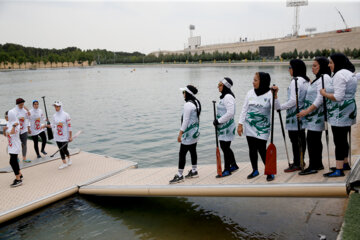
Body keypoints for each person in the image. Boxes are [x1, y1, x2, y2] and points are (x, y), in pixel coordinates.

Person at [320, 53, 357, 177]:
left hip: (340, 111)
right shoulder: (349, 73)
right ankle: (344, 163)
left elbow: (338, 97)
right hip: (349, 108)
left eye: (331, 62)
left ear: (337, 63)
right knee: (343, 138)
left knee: (338, 140)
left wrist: (324, 94)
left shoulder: (339, 75)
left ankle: (339, 169)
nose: (329, 65)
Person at [273, 59, 310, 172]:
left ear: (295, 68)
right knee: (301, 138)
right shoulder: (305, 80)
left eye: (290, 67)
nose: (289, 70)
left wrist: (281, 107)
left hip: (294, 115)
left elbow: (294, 100)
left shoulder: (296, 81)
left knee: (295, 139)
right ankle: (300, 160)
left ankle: (297, 163)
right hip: (302, 113)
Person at [296, 57, 331, 175]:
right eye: (312, 66)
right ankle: (318, 163)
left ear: (322, 66)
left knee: (312, 140)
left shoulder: (324, 77)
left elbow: (320, 98)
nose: (312, 68)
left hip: (317, 115)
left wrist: (306, 111)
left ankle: (312, 166)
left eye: (315, 65)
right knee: (314, 140)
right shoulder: (317, 79)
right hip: (312, 116)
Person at [238, 72, 275, 181]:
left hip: (263, 128)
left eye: (255, 80)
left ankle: (269, 170)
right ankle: (255, 170)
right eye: (253, 80)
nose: (253, 82)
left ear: (262, 81)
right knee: (252, 149)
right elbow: (244, 109)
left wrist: (275, 95)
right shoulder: (250, 93)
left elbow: (277, 108)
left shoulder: (270, 94)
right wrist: (240, 124)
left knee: (262, 149)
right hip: (249, 126)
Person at [169, 85, 201, 184]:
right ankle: (194, 171)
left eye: (184, 92)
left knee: (182, 154)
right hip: (195, 132)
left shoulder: (188, 105)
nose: (183, 94)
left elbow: (186, 120)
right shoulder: (197, 102)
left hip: (188, 134)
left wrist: (180, 133)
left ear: (188, 93)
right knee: (193, 150)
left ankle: (179, 175)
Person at [213, 77, 239, 177]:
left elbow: (231, 113)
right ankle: (234, 165)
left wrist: (218, 121)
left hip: (227, 127)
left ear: (225, 86)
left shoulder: (228, 97)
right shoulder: (224, 97)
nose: (218, 87)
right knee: (225, 147)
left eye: (220, 85)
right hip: (222, 127)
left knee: (225, 147)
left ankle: (227, 169)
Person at [50, 101, 72, 169]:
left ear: (60, 106)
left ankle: (69, 158)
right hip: (57, 135)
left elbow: (69, 126)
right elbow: (52, 125)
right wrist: (45, 125)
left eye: (57, 106)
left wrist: (70, 136)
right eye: (55, 106)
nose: (56, 108)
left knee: (64, 149)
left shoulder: (66, 115)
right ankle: (64, 163)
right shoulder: (54, 116)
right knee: (60, 149)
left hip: (65, 135)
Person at [6, 110, 23, 187]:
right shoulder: (9, 123)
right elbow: (7, 134)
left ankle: (18, 179)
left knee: (12, 162)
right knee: (14, 161)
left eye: (7, 116)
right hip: (10, 146)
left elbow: (12, 133)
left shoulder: (16, 124)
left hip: (15, 146)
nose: (6, 117)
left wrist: (13, 126)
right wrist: (4, 130)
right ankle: (19, 174)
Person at [12, 98, 31, 163]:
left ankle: (24, 158)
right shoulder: (13, 111)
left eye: (23, 104)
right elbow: (11, 120)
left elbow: (28, 118)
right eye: (21, 104)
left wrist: (28, 111)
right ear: (17, 104)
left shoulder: (25, 111)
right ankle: (16, 157)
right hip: (16, 130)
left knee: (24, 144)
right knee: (16, 144)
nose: (22, 105)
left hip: (24, 130)